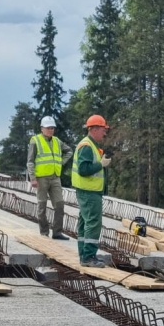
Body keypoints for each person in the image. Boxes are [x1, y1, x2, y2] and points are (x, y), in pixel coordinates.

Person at [71, 114, 112, 266]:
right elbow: (83, 169)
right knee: (93, 223)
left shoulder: (90, 145)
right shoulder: (87, 146)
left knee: (85, 223)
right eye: (103, 129)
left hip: (87, 191)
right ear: (94, 129)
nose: (104, 132)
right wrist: (101, 164)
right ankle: (89, 257)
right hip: (89, 191)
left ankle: (84, 255)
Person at [26, 115, 67, 239]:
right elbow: (30, 161)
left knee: (59, 205)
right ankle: (44, 232)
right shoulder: (35, 141)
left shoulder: (57, 141)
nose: (51, 130)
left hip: (55, 178)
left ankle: (57, 232)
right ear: (42, 128)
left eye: (52, 128)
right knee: (42, 206)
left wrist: (60, 162)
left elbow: (69, 151)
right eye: (48, 128)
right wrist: (32, 178)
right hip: (41, 178)